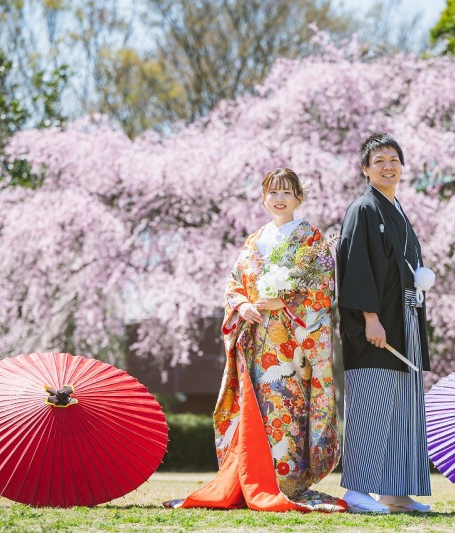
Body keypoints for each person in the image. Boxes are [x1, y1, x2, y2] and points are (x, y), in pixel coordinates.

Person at [164, 168, 344, 512]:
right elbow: (234, 283)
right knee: (257, 409)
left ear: (299, 198)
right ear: (263, 198)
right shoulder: (254, 240)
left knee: (288, 406)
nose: (279, 199)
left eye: (287, 193)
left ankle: (288, 480)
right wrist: (244, 304)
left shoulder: (310, 236)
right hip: (258, 340)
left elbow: (322, 285)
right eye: (272, 193)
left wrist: (284, 300)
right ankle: (253, 477)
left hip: (294, 343)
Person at [335, 132, 432, 513]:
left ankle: (394, 491)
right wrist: (370, 318)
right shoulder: (363, 209)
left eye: (394, 159)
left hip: (404, 319)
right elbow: (356, 266)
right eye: (379, 161)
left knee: (402, 406)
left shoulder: (399, 211)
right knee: (371, 402)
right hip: (375, 324)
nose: (388, 165)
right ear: (365, 170)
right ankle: (358, 489)